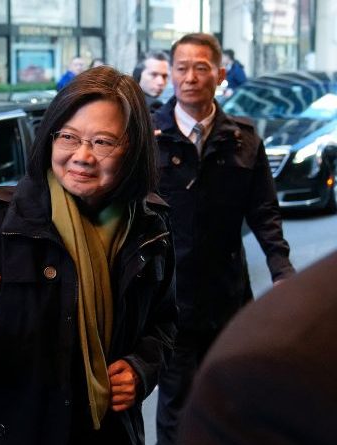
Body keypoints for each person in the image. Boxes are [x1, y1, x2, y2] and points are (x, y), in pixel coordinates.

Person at [0, 65, 177, 444]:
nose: (82, 156)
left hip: (110, 434)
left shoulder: (148, 228)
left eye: (103, 142)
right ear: (50, 138)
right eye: (68, 137)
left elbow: (166, 322)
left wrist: (143, 368)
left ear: (133, 148)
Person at [152, 33, 295, 445]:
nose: (190, 77)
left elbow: (264, 212)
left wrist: (281, 269)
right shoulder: (148, 136)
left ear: (220, 74)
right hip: (169, 300)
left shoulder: (243, 138)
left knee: (230, 395)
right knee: (175, 403)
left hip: (227, 296)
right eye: (181, 68)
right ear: (172, 74)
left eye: (201, 67)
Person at [177, 250, 337, 444]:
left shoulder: (250, 377)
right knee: (175, 398)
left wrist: (280, 265)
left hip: (225, 295)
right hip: (182, 316)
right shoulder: (243, 380)